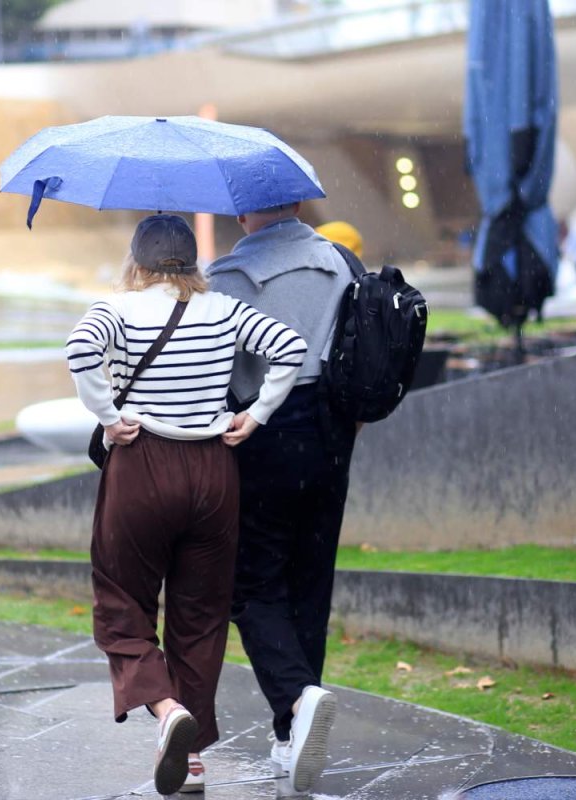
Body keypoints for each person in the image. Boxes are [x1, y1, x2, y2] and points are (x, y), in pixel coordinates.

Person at [66, 214, 307, 795]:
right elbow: (290, 347)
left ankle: (166, 708)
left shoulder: (115, 310)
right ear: (193, 263)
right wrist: (256, 414)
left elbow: (79, 350)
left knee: (121, 605)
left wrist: (108, 415)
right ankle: (192, 759)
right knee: (200, 617)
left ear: (138, 262)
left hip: (143, 464)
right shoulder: (223, 308)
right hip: (212, 471)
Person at [206, 203, 357, 795]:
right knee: (310, 579)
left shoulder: (228, 277)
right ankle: (291, 729)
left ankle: (296, 703)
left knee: (250, 583)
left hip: (261, 429)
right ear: (297, 204)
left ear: (244, 212)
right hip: (332, 432)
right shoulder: (341, 261)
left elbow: (220, 365)